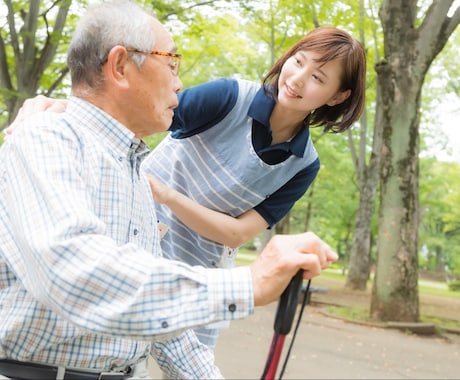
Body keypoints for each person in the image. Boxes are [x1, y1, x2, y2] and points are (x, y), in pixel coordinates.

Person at [0, 1, 338, 380]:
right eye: (172, 64)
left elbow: (165, 332)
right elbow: (75, 274)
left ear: (336, 97)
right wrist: (248, 283)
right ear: (121, 66)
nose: (179, 83)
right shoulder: (46, 140)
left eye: (320, 78)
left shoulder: (137, 177)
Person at [143, 25, 366, 350]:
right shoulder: (228, 97)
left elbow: (235, 234)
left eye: (318, 77)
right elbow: (143, 115)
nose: (298, 78)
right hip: (141, 241)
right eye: (298, 61)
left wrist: (166, 194)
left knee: (190, 369)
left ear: (337, 96)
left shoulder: (303, 164)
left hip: (204, 276)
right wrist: (68, 109)